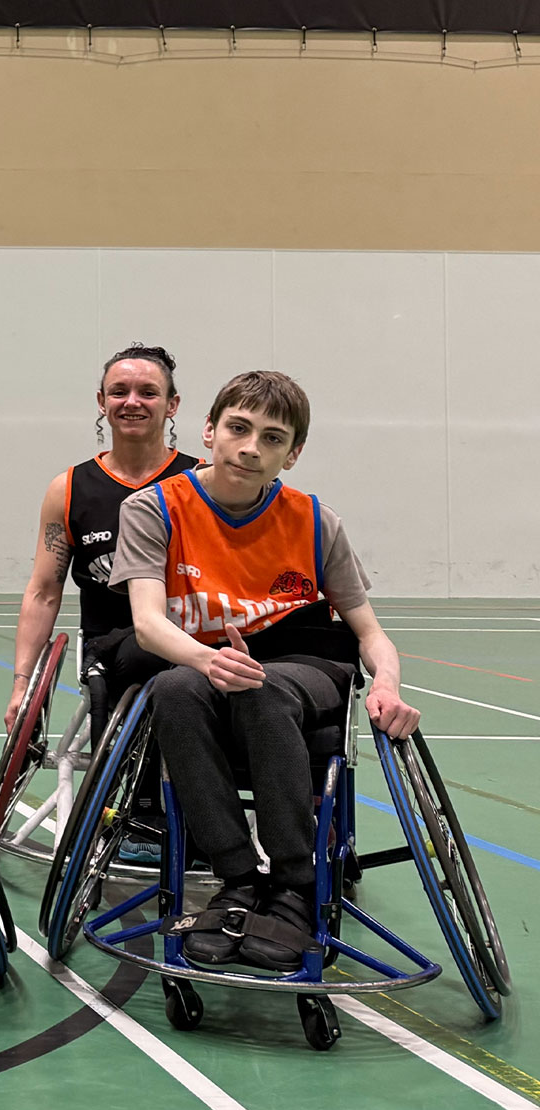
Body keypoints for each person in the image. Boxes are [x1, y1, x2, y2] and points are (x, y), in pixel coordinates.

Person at [111, 370, 420, 971]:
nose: (251, 447)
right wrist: (207, 659)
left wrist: (386, 684)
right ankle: (237, 879)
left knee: (263, 686)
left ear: (292, 454)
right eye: (238, 428)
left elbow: (369, 631)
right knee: (171, 688)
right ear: (209, 431)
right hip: (205, 660)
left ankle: (294, 884)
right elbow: (147, 623)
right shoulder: (153, 509)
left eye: (273, 438)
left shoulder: (316, 521)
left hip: (303, 661)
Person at [3, 344, 200, 732]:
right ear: (101, 401)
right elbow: (43, 593)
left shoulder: (202, 483)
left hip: (194, 643)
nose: (132, 402)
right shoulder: (69, 489)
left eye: (148, 392)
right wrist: (22, 686)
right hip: (112, 653)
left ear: (172, 405)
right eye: (119, 391)